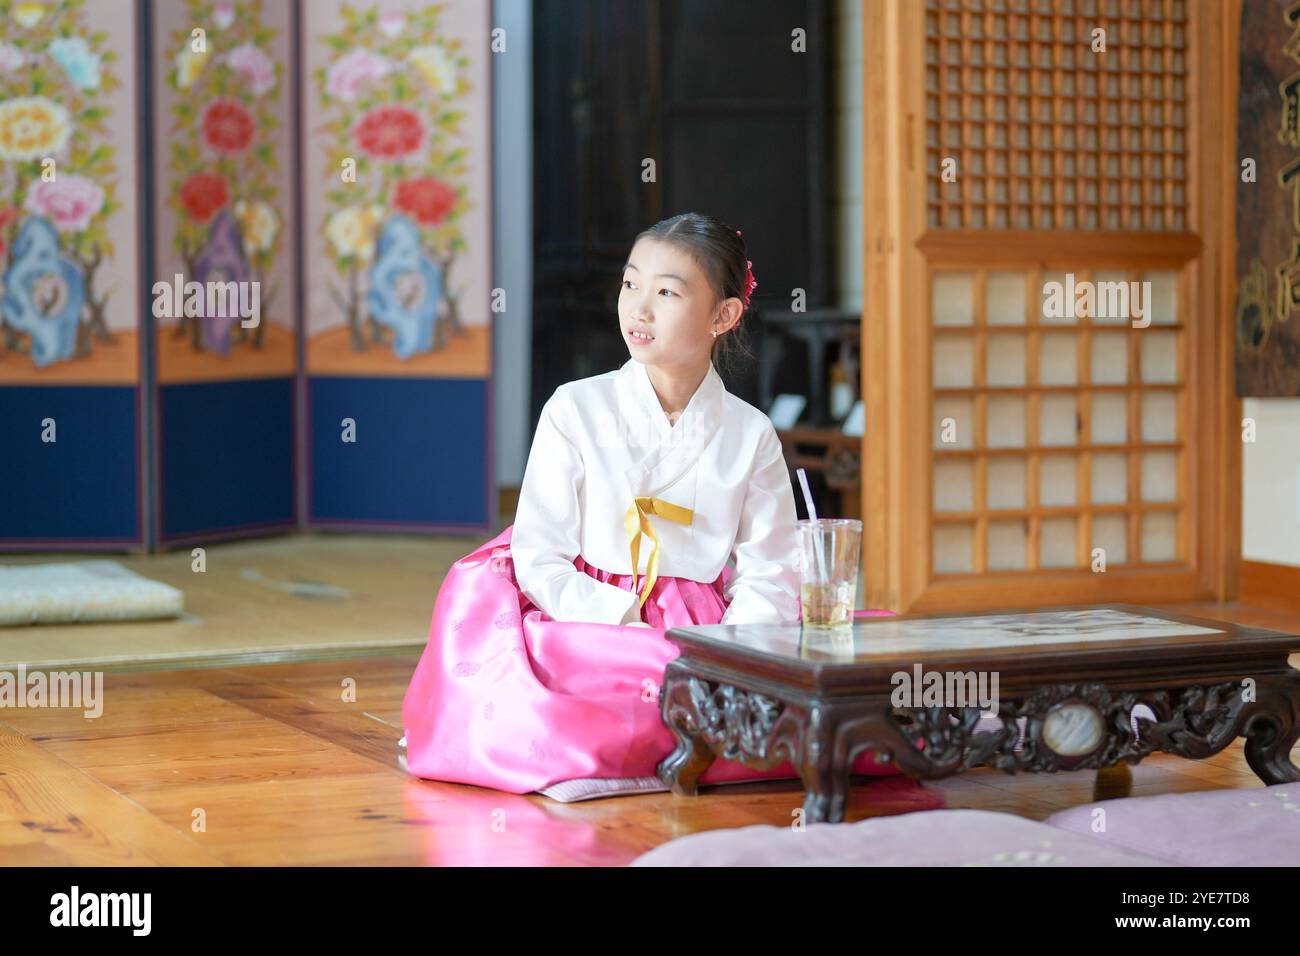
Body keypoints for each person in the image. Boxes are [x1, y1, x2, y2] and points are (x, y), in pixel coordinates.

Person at [400, 212, 897, 795]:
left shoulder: (750, 431)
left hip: (705, 630)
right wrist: (622, 619)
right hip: (588, 618)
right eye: (631, 284)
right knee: (567, 715)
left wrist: (734, 653)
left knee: (818, 703)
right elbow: (540, 555)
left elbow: (771, 568)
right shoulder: (574, 408)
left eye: (666, 292)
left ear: (724, 315)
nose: (638, 308)